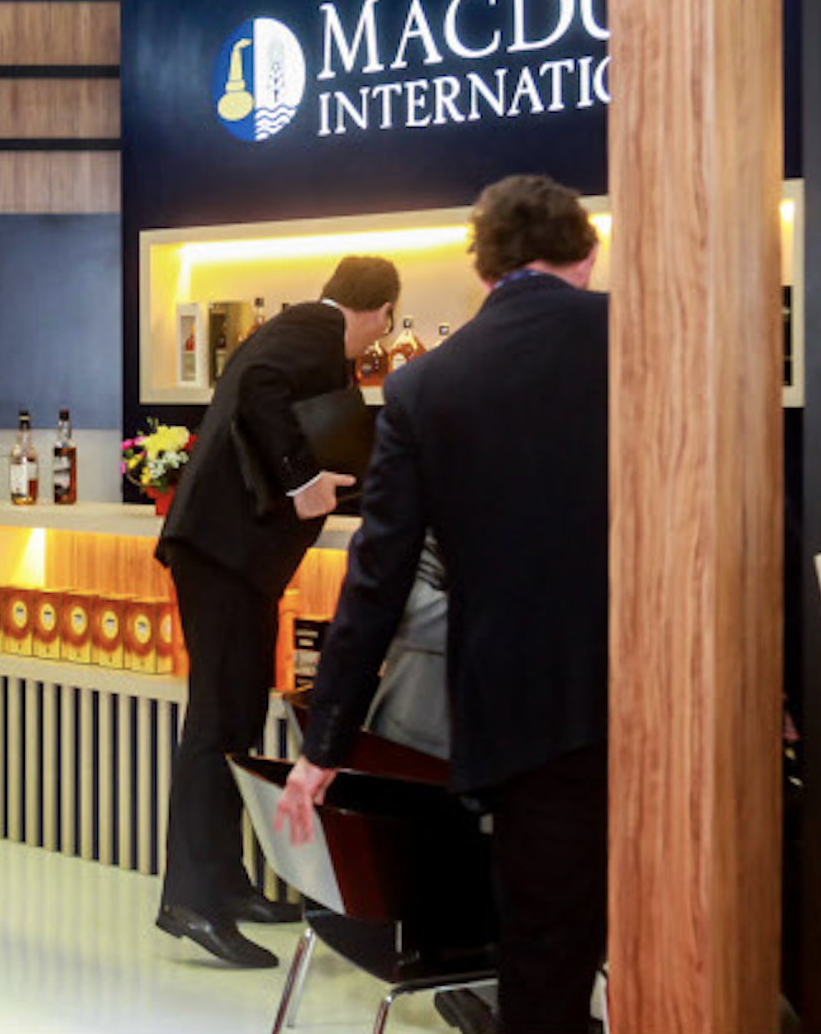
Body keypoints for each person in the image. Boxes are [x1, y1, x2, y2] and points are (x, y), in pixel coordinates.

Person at [278, 174, 610, 1033]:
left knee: (543, 962)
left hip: (521, 721)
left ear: (483, 270)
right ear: (586, 254)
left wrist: (323, 747)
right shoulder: (646, 341)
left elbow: (377, 578)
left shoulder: (427, 387)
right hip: (661, 700)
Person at [154, 254, 400, 968]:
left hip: (236, 563)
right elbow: (260, 385)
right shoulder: (314, 332)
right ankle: (191, 900)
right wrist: (302, 479)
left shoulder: (305, 334)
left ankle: (225, 883)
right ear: (382, 312)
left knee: (233, 722)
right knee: (215, 725)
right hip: (223, 559)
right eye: (384, 327)